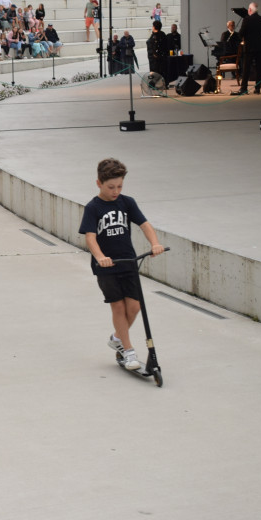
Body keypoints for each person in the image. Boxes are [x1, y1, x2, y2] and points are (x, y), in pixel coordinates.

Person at [79, 158, 164, 371]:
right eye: (111, 187)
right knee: (118, 306)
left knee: (134, 307)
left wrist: (155, 243)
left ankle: (117, 338)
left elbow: (144, 224)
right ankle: (129, 351)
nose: (116, 191)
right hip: (106, 266)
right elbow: (90, 237)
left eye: (119, 186)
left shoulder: (127, 202)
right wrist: (99, 257)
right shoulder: (93, 207)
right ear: (99, 183)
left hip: (128, 261)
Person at [235, 1, 261, 95]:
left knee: (246, 68)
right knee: (259, 68)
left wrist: (241, 37)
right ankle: (257, 88)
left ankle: (244, 88)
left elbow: (241, 33)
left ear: (249, 10)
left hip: (249, 48)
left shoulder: (247, 20)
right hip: (260, 47)